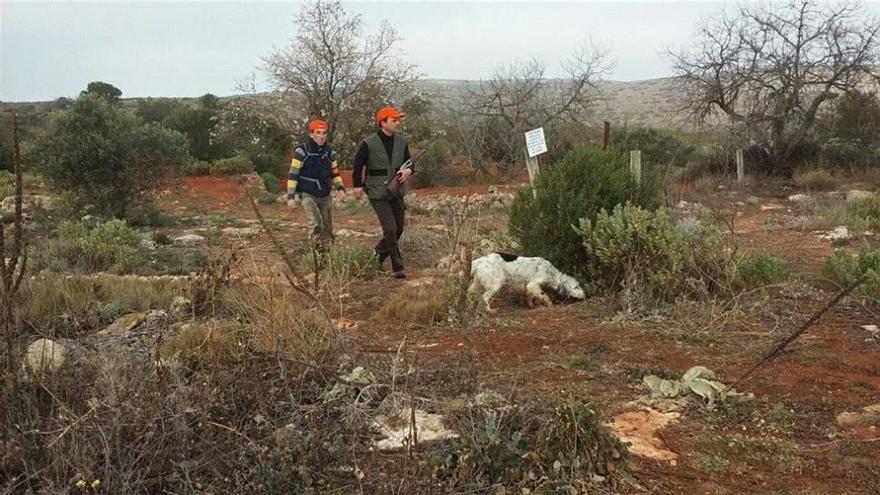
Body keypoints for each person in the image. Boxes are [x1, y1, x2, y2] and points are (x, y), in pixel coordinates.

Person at [353, 106, 413, 279]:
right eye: (394, 120)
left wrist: (409, 171)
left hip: (397, 191)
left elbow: (409, 163)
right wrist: (357, 186)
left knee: (399, 229)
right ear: (383, 122)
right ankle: (397, 267)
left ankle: (376, 257)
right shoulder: (368, 143)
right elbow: (358, 164)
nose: (397, 123)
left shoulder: (402, 142)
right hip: (377, 192)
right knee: (390, 229)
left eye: (397, 120)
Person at [287, 119, 346, 252]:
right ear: (311, 134)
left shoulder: (330, 152)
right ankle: (315, 256)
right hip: (308, 194)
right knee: (315, 225)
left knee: (328, 227)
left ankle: (328, 255)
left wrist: (340, 188)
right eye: (318, 133)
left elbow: (335, 173)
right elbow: (293, 174)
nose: (322, 136)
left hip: (325, 194)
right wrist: (291, 196)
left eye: (324, 133)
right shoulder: (302, 151)